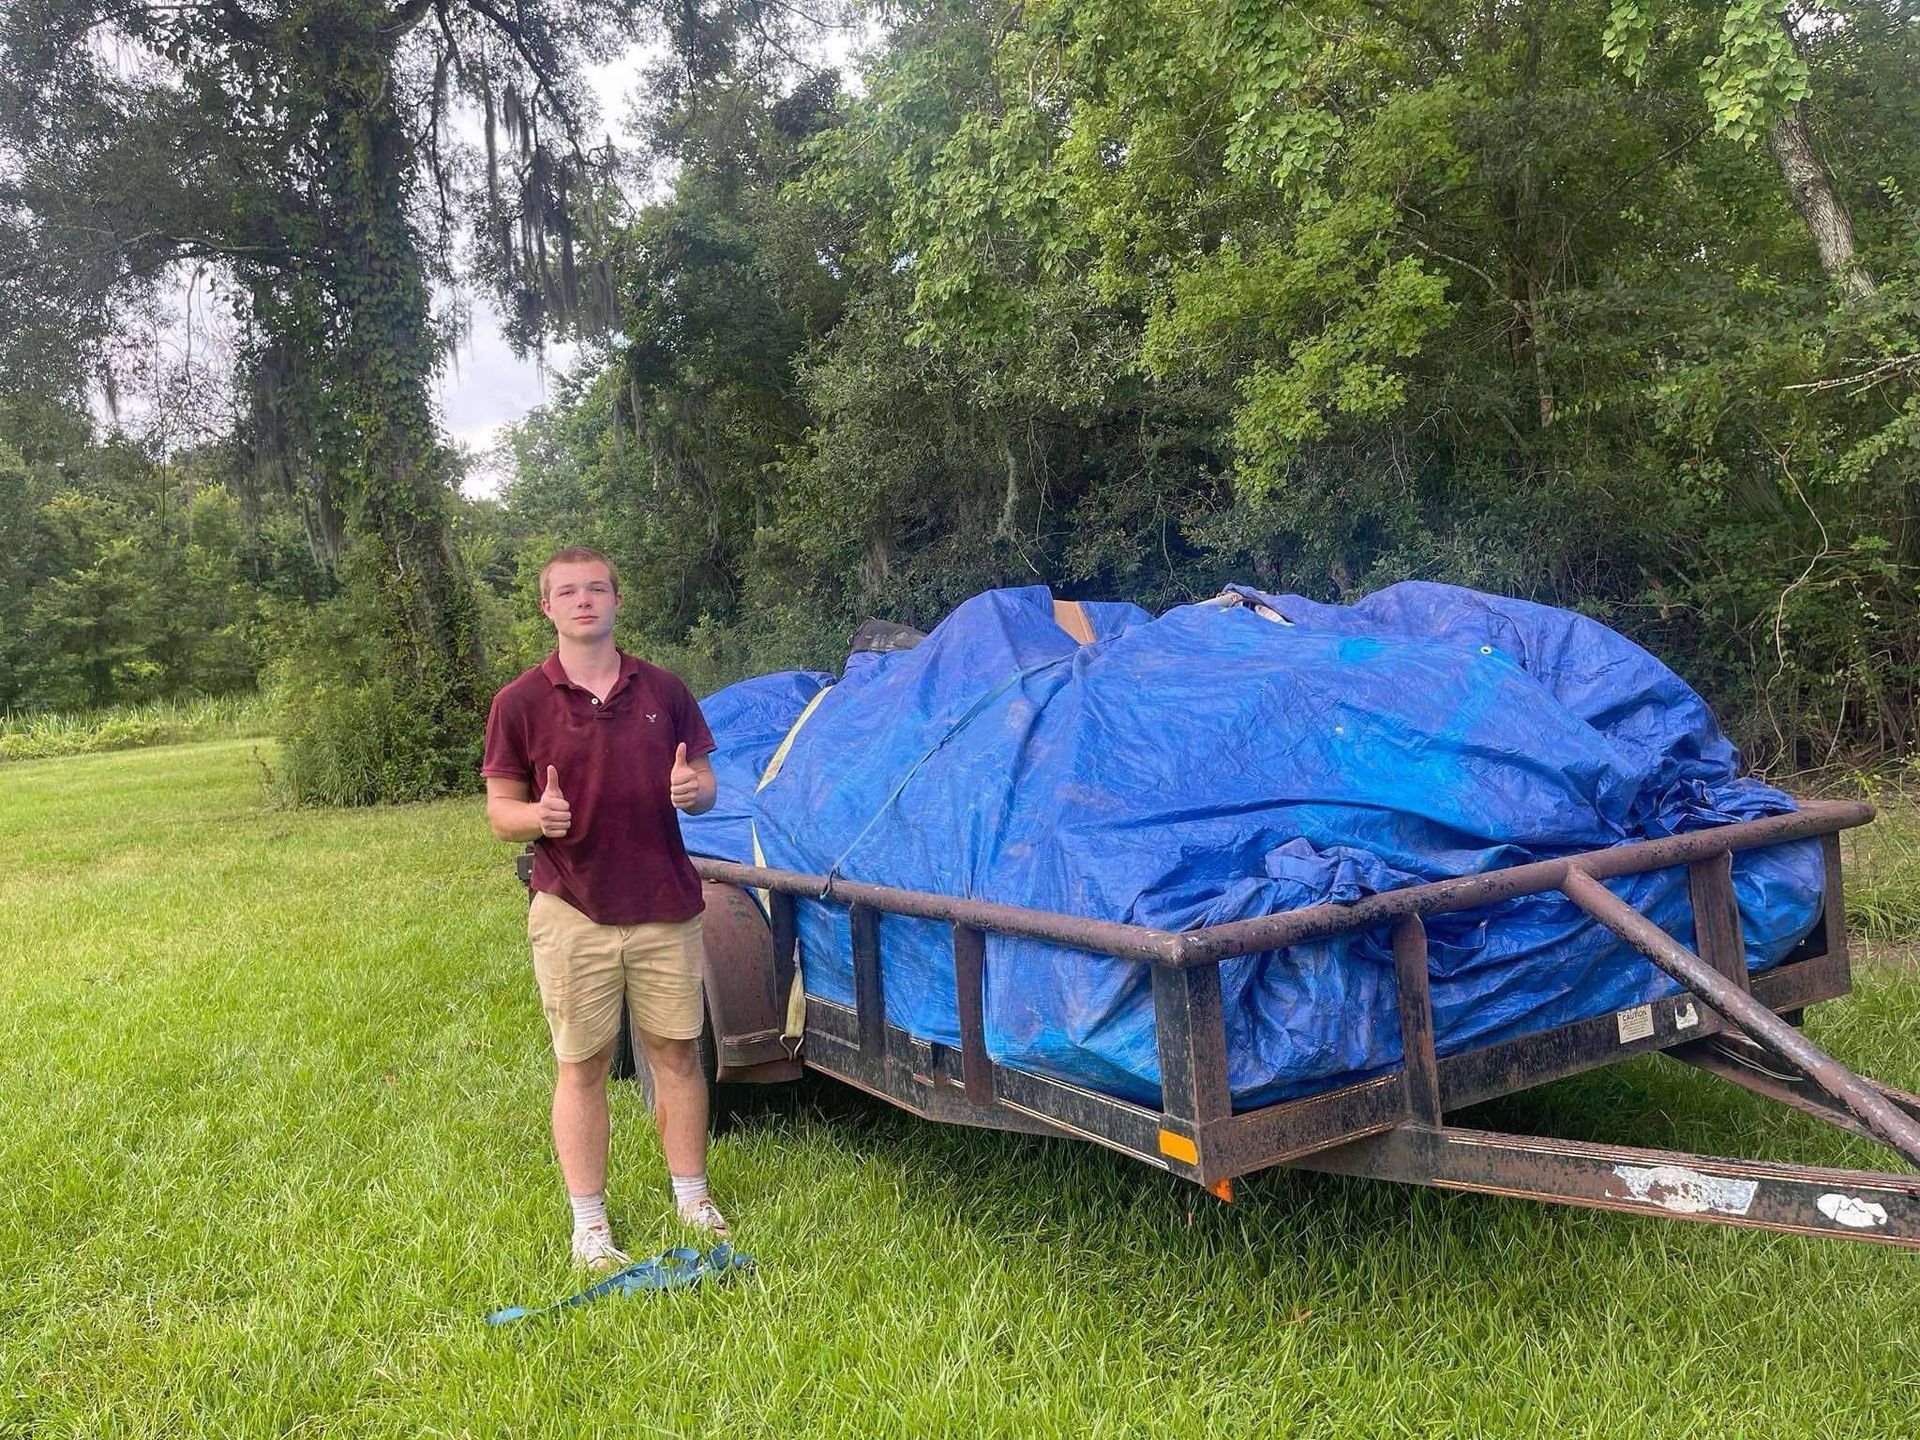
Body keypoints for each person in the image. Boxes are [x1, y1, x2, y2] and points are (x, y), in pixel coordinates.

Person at [481, 545, 723, 1272]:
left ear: (617, 600)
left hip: (663, 904)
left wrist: (694, 792)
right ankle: (590, 1225)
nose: (583, 601)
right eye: (567, 592)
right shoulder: (518, 702)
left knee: (677, 1054)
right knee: (581, 1063)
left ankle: (693, 1198)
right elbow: (500, 812)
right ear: (546, 609)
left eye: (596, 589)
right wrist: (538, 818)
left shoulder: (667, 690)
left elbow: (706, 783)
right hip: (572, 910)